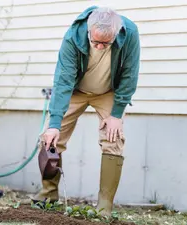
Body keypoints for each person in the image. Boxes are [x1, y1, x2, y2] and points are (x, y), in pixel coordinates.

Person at [31, 6, 140, 217]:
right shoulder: (74, 35)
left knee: (114, 139)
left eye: (105, 44)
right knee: (50, 137)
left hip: (108, 92)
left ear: (116, 34)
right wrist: (54, 124)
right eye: (95, 41)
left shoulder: (130, 34)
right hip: (75, 90)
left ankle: (104, 208)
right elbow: (63, 81)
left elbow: (130, 74)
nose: (99, 46)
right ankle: (48, 194)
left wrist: (116, 114)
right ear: (89, 31)